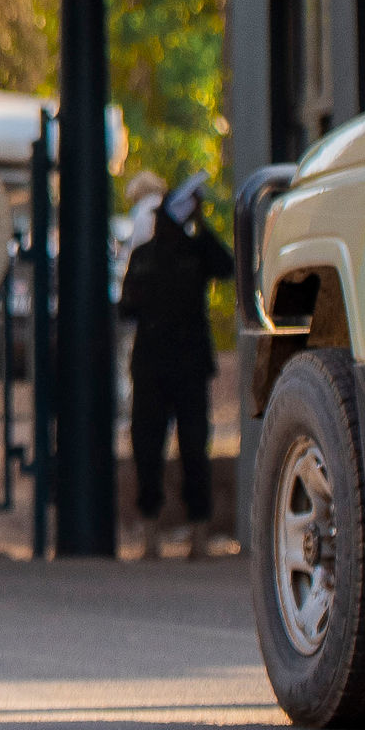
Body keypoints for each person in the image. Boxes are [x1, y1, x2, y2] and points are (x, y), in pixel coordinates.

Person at [123, 170, 236, 558]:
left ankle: (198, 537)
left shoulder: (196, 252)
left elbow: (226, 265)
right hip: (152, 366)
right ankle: (151, 535)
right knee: (147, 450)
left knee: (193, 450)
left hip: (188, 366)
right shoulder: (143, 257)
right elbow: (127, 307)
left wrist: (201, 228)